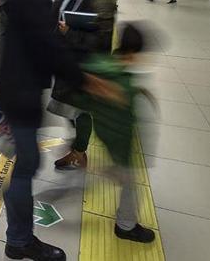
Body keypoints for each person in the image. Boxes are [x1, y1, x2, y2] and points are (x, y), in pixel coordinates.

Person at [0, 0, 123, 261]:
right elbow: (51, 43)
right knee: (26, 167)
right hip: (20, 92)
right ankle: (19, 240)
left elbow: (62, 39)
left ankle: (19, 237)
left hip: (20, 88)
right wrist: (86, 79)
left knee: (26, 165)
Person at [67, 23, 156, 243]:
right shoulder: (122, 83)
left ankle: (111, 171)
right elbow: (125, 122)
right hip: (118, 140)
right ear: (135, 53)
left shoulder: (101, 63)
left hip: (103, 132)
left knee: (121, 175)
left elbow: (82, 107)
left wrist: (79, 144)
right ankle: (126, 226)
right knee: (130, 183)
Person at [48, 0, 116, 170]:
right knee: (71, 109)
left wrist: (70, 33)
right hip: (67, 60)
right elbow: (55, 15)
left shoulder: (101, 0)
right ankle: (78, 144)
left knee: (80, 110)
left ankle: (79, 152)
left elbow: (102, 42)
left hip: (85, 66)